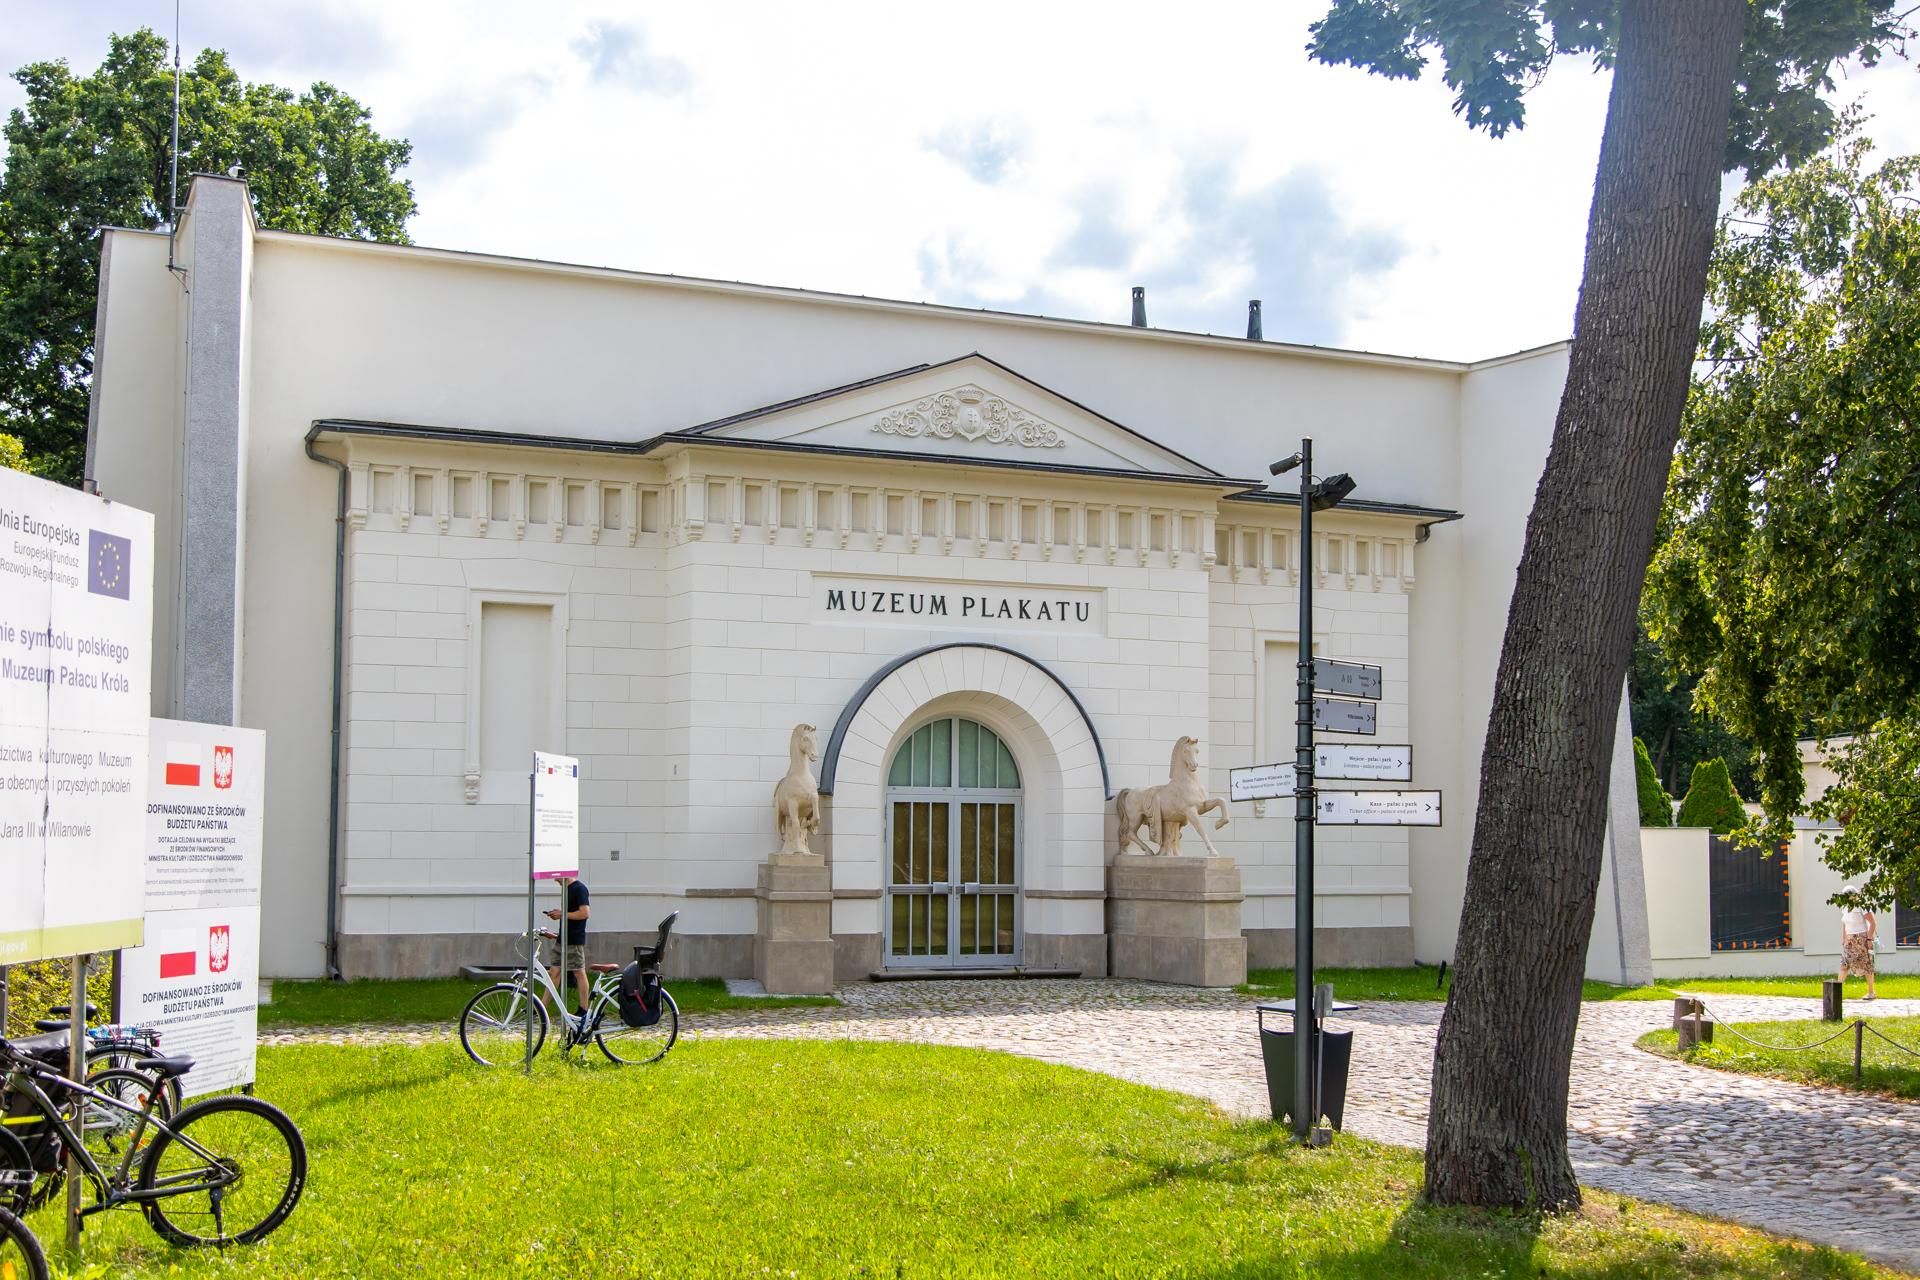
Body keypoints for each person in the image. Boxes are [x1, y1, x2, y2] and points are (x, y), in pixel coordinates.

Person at [543, 874, 591, 1016]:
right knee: (554, 972)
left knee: (578, 972)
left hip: (574, 940)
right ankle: (541, 1008)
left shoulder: (579, 889)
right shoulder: (567, 889)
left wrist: (562, 914)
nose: (555, 879)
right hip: (562, 939)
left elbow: (585, 913)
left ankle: (583, 1009)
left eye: (557, 876)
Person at [1839, 887, 1877, 1001]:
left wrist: (1869, 940)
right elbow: (1844, 924)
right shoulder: (1845, 907)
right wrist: (1844, 939)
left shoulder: (1862, 905)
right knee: (1844, 964)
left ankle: (1871, 992)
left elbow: (1873, 923)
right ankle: (1836, 992)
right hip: (1850, 940)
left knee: (1867, 964)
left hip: (1862, 939)